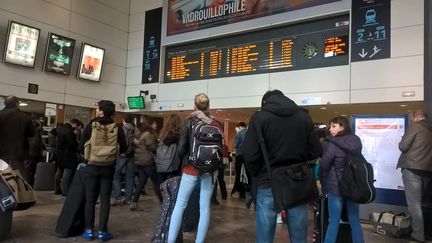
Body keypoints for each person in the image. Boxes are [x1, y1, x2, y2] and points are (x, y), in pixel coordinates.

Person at [243, 90, 322, 243]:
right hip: (297, 181)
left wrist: (259, 172)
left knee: (265, 235)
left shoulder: (259, 118)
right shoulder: (303, 117)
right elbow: (317, 150)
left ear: (264, 103)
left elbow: (250, 154)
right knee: (299, 235)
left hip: (269, 180)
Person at [168, 93, 226, 243]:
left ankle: (170, 240)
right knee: (204, 207)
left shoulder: (189, 122)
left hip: (191, 169)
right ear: (209, 106)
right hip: (210, 170)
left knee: (180, 205)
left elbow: (181, 149)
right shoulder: (216, 123)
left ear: (194, 105)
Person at [79, 100, 126, 241]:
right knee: (105, 199)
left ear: (101, 111)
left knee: (90, 200)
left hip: (92, 166)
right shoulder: (118, 127)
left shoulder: (91, 125)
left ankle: (88, 231)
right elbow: (123, 147)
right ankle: (102, 232)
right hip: (108, 167)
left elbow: (81, 145)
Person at [319, 116, 365, 243]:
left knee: (333, 221)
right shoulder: (356, 141)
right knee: (354, 219)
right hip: (353, 187)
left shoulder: (332, 143)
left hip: (336, 187)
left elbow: (324, 165)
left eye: (334, 126)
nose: (330, 129)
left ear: (342, 127)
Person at [397, 110, 432, 242]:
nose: (411, 121)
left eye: (412, 119)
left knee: (414, 204)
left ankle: (418, 234)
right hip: (427, 170)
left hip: (412, 168)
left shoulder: (415, 127)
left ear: (416, 118)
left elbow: (403, 146)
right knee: (423, 203)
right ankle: (425, 231)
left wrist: (401, 140)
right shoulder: (430, 128)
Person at [130, 116, 162, 211]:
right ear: (151, 124)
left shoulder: (141, 133)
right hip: (147, 161)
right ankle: (163, 202)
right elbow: (153, 148)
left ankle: (134, 202)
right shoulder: (149, 134)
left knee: (141, 182)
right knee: (156, 182)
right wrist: (158, 145)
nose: (156, 125)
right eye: (155, 123)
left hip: (139, 161)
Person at [0, 95, 35, 175]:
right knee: (19, 175)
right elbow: (32, 133)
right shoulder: (25, 117)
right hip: (18, 152)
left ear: (6, 103)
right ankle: (18, 187)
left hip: (1, 151)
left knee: (1, 174)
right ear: (17, 103)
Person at [112, 113, 137, 206]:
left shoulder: (119, 129)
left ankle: (118, 197)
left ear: (124, 120)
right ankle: (128, 198)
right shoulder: (136, 130)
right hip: (131, 155)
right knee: (130, 177)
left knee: (116, 175)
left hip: (121, 155)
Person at [55, 119, 80, 195]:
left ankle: (57, 189)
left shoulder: (60, 129)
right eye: (77, 126)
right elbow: (72, 144)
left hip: (59, 153)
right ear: (74, 124)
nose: (77, 127)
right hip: (68, 154)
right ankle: (65, 191)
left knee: (59, 171)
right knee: (67, 172)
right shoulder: (69, 131)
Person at [157, 114, 182, 183]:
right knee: (173, 187)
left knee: (162, 188)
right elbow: (181, 151)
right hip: (174, 168)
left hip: (161, 166)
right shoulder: (179, 136)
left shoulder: (162, 134)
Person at [24, 119, 44, 186]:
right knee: (30, 170)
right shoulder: (35, 132)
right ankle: (29, 184)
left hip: (28, 152)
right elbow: (36, 142)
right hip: (33, 152)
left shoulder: (27, 131)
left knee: (28, 169)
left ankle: (28, 184)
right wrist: (42, 147)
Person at [232, 122, 248, 199]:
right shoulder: (250, 133)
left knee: (239, 174)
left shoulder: (239, 134)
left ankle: (239, 191)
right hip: (248, 156)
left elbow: (235, 145)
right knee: (247, 174)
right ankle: (249, 190)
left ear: (240, 126)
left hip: (240, 155)